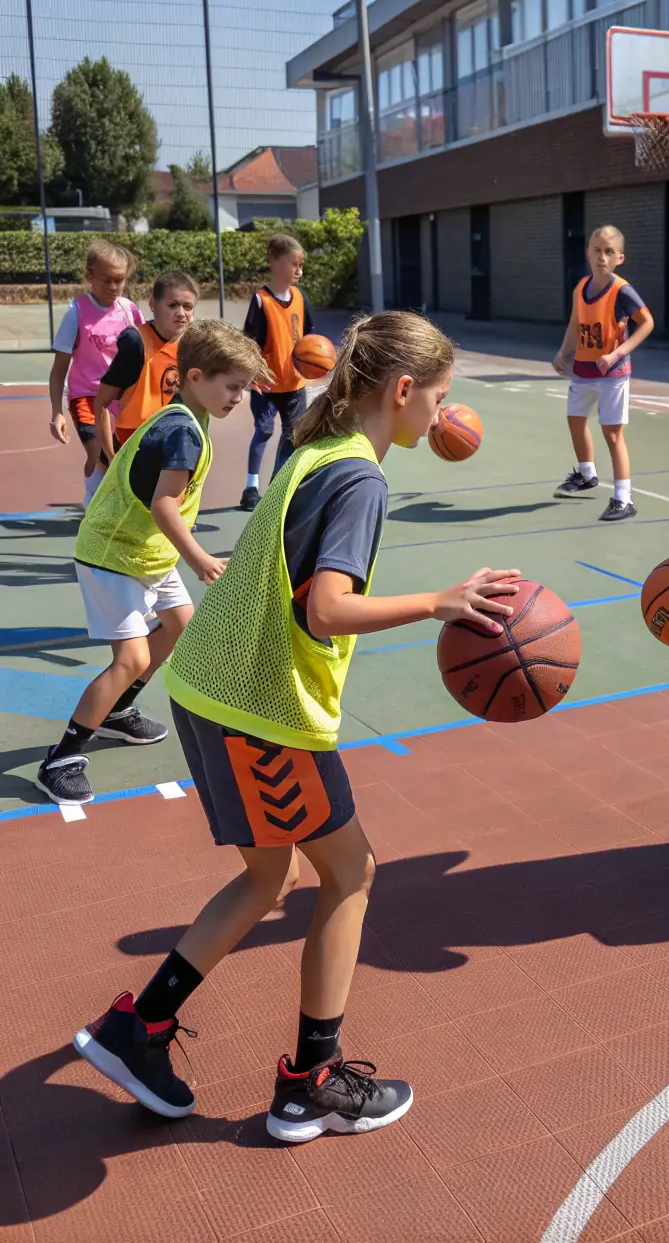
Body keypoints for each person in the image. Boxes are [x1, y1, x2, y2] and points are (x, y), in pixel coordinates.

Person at [73, 310, 520, 1142]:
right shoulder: (360, 477)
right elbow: (327, 606)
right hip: (262, 709)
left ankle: (139, 1028)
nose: (443, 413)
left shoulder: (316, 448)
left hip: (209, 687)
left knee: (266, 876)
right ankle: (310, 1080)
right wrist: (439, 602)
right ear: (402, 389)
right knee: (350, 874)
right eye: (441, 397)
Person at [36, 321, 270, 808]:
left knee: (180, 626)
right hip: (114, 553)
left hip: (146, 550)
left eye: (244, 388)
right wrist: (201, 559)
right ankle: (61, 758)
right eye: (232, 386)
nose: (238, 397)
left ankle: (117, 713)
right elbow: (165, 505)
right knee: (134, 659)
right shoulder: (183, 431)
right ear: (197, 377)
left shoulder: (188, 416)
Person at [551, 224, 654, 521]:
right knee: (575, 420)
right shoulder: (581, 287)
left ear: (619, 257)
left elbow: (647, 322)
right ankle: (587, 474)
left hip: (613, 372)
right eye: (597, 250)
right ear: (588, 253)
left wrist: (618, 353)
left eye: (609, 252)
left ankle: (624, 498)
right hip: (583, 369)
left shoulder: (622, 290)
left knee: (612, 433)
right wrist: (563, 352)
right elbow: (575, 324)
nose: (602, 257)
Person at [48, 240, 143, 507]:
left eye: (120, 280)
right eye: (107, 280)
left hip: (122, 398)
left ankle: (112, 501)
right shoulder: (76, 312)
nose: (114, 287)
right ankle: (92, 504)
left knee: (120, 456)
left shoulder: (129, 310)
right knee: (100, 454)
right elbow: (58, 370)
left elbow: (148, 350)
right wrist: (56, 411)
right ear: (90, 277)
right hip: (87, 397)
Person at [240, 232, 315, 511]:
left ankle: (278, 487)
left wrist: (316, 358)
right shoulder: (261, 300)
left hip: (294, 383)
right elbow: (249, 342)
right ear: (275, 262)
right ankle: (250, 487)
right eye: (294, 264)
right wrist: (251, 376)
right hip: (266, 385)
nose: (299, 270)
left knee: (293, 435)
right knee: (263, 432)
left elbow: (310, 337)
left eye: (301, 265)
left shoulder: (300, 297)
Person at [94, 270, 199, 460]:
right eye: (173, 305)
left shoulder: (192, 346)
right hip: (135, 443)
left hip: (174, 442)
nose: (181, 313)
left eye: (188, 307)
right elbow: (102, 402)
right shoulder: (136, 342)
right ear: (153, 303)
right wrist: (111, 456)